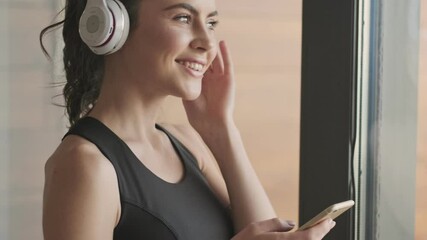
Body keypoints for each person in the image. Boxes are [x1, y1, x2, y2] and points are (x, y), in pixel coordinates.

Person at [40, 0, 336, 239]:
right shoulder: (84, 165)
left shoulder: (187, 142)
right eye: (183, 17)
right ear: (111, 25)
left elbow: (267, 231)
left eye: (211, 23)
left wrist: (221, 129)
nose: (207, 42)